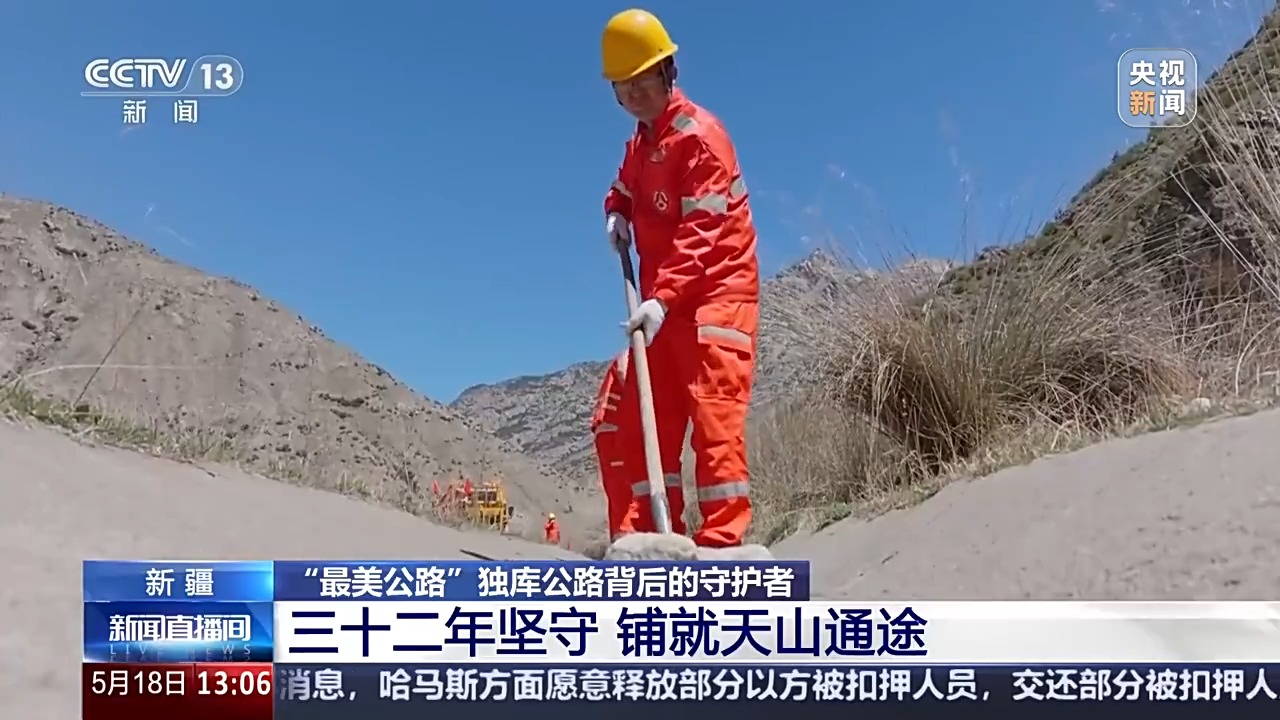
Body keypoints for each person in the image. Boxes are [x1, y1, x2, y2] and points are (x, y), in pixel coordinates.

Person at [600, 8, 760, 549]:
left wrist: (663, 297)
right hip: (663, 304)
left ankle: (720, 546)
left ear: (668, 71)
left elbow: (702, 230)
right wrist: (616, 210)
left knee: (714, 418)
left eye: (641, 81)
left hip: (717, 297)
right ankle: (655, 539)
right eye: (622, 87)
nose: (633, 95)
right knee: (648, 419)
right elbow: (624, 186)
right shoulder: (641, 143)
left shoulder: (702, 139)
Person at [591, 350, 640, 540]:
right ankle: (628, 542)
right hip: (616, 431)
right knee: (626, 492)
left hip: (612, 432)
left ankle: (621, 540)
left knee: (620, 493)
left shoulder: (632, 355)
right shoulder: (632, 355)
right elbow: (629, 380)